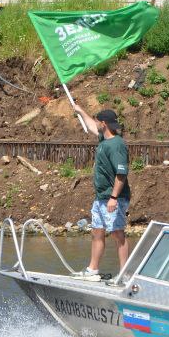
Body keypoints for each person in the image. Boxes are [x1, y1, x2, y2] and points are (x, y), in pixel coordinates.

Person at [72, 106, 130, 281]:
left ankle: (124, 275)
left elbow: (121, 174)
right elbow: (91, 126)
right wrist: (80, 111)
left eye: (98, 121)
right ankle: (93, 270)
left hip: (114, 198)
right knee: (97, 232)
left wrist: (113, 197)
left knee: (117, 234)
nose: (96, 123)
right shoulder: (104, 139)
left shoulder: (116, 145)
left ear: (103, 123)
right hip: (101, 198)